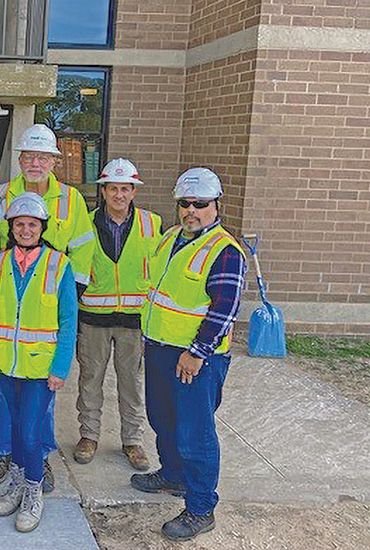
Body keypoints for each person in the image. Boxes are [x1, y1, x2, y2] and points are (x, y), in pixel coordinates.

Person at [132, 167, 246, 542]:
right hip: (161, 349)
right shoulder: (170, 239)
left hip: (196, 359)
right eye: (185, 203)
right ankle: (173, 475)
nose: (191, 210)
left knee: (195, 432)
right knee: (162, 418)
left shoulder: (225, 251)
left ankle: (200, 507)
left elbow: (224, 308)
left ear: (216, 206)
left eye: (200, 204)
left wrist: (196, 352)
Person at [0, 123, 94, 491]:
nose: (34, 163)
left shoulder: (70, 199)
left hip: (47, 295)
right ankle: (4, 451)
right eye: (28, 156)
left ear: (53, 162)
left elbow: (82, 247)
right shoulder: (0, 195)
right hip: (6, 293)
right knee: (3, 393)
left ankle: (38, 458)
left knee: (42, 393)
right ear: (20, 160)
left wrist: (66, 297)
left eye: (42, 157)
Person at [0, 192, 78, 533]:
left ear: (42, 227)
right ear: (11, 227)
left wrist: (61, 368)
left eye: (32, 224)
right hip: (5, 363)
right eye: (19, 223)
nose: (25, 229)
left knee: (32, 433)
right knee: (15, 429)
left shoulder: (59, 265)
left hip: (40, 367)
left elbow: (68, 322)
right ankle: (18, 482)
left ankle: (34, 490)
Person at [74, 158, 162, 470]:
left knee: (131, 384)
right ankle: (89, 436)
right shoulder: (84, 221)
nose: (119, 195)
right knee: (90, 381)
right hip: (94, 317)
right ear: (104, 190)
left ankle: (133, 441)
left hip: (133, 319)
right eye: (114, 188)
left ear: (134, 192)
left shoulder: (153, 224)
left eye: (126, 189)